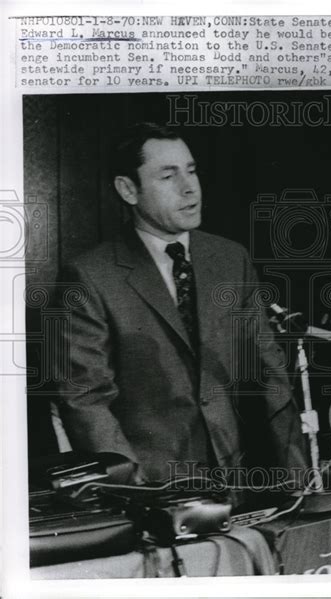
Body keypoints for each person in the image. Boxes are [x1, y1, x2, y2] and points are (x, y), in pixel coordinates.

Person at [54, 123, 307, 485]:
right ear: (128, 189)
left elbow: (269, 374)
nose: (189, 188)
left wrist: (296, 481)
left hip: (239, 485)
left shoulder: (230, 259)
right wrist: (136, 493)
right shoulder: (90, 276)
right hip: (154, 493)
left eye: (191, 171)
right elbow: (86, 400)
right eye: (168, 176)